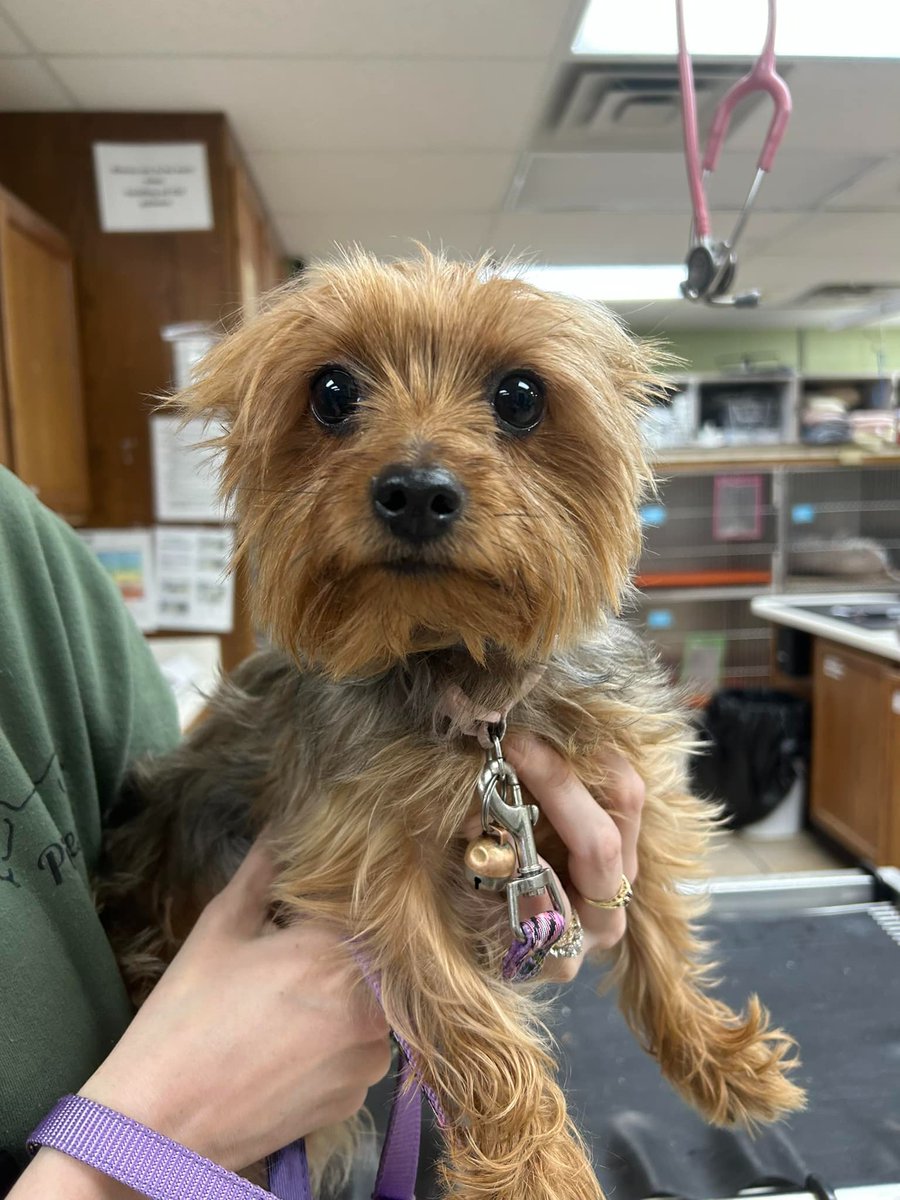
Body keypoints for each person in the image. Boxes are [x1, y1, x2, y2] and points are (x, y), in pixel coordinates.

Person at [0, 466, 644, 1198]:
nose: (415, 481)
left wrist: (494, 931)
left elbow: (175, 833)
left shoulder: (31, 562)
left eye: (516, 410)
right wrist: (144, 1139)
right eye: (336, 409)